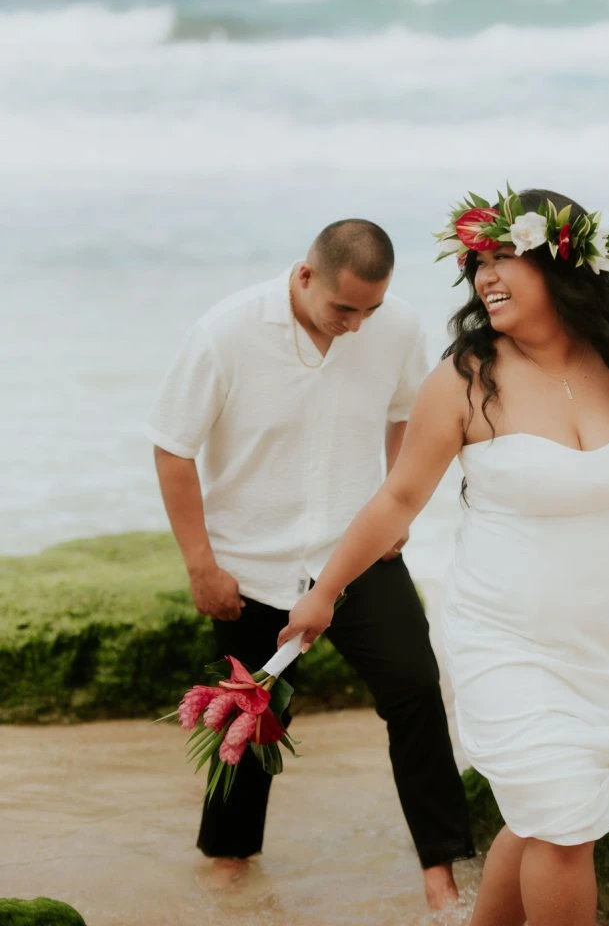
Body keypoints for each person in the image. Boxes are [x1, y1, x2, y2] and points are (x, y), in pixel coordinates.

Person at [278, 188, 609, 926]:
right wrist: (325, 592)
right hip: (502, 638)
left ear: (564, 265)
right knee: (564, 829)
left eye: (504, 257)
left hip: (600, 644)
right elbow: (398, 500)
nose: (484, 275)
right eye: (477, 262)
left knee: (539, 820)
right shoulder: (467, 379)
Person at [145, 218, 474, 910]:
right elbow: (173, 447)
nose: (357, 324)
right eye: (343, 309)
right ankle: (231, 862)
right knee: (251, 719)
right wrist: (201, 565)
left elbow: (403, 415)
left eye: (371, 309)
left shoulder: (396, 326)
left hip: (357, 554)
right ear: (304, 277)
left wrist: (396, 509)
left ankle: (441, 868)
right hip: (251, 562)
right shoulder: (224, 333)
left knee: (416, 688)